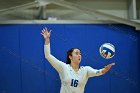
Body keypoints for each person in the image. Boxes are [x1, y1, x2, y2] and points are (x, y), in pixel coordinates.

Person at [41, 27, 115, 93]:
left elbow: (98, 72)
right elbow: (48, 56)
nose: (79, 55)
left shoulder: (86, 70)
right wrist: (47, 39)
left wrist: (105, 70)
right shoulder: (63, 67)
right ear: (70, 57)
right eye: (76, 53)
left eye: (80, 53)